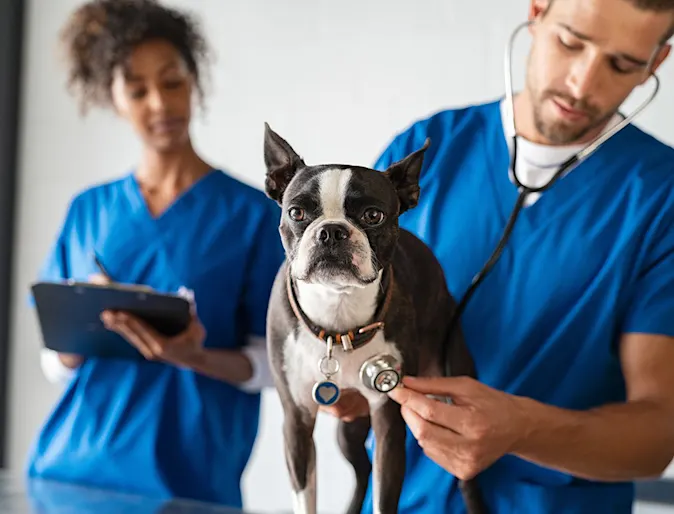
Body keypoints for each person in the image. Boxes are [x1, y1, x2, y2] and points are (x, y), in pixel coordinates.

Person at [324, 0, 674, 512]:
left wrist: (523, 429)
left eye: (621, 64)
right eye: (570, 42)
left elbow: (657, 434)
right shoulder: (425, 152)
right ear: (537, 10)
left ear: (656, 63)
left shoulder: (660, 198)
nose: (581, 83)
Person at [25, 0, 284, 509]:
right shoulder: (90, 210)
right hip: (68, 475)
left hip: (187, 486)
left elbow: (275, 365)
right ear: (113, 98)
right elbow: (56, 361)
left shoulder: (252, 216)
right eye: (137, 89)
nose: (159, 105)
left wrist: (195, 357)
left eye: (171, 81)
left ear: (194, 80)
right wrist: (84, 327)